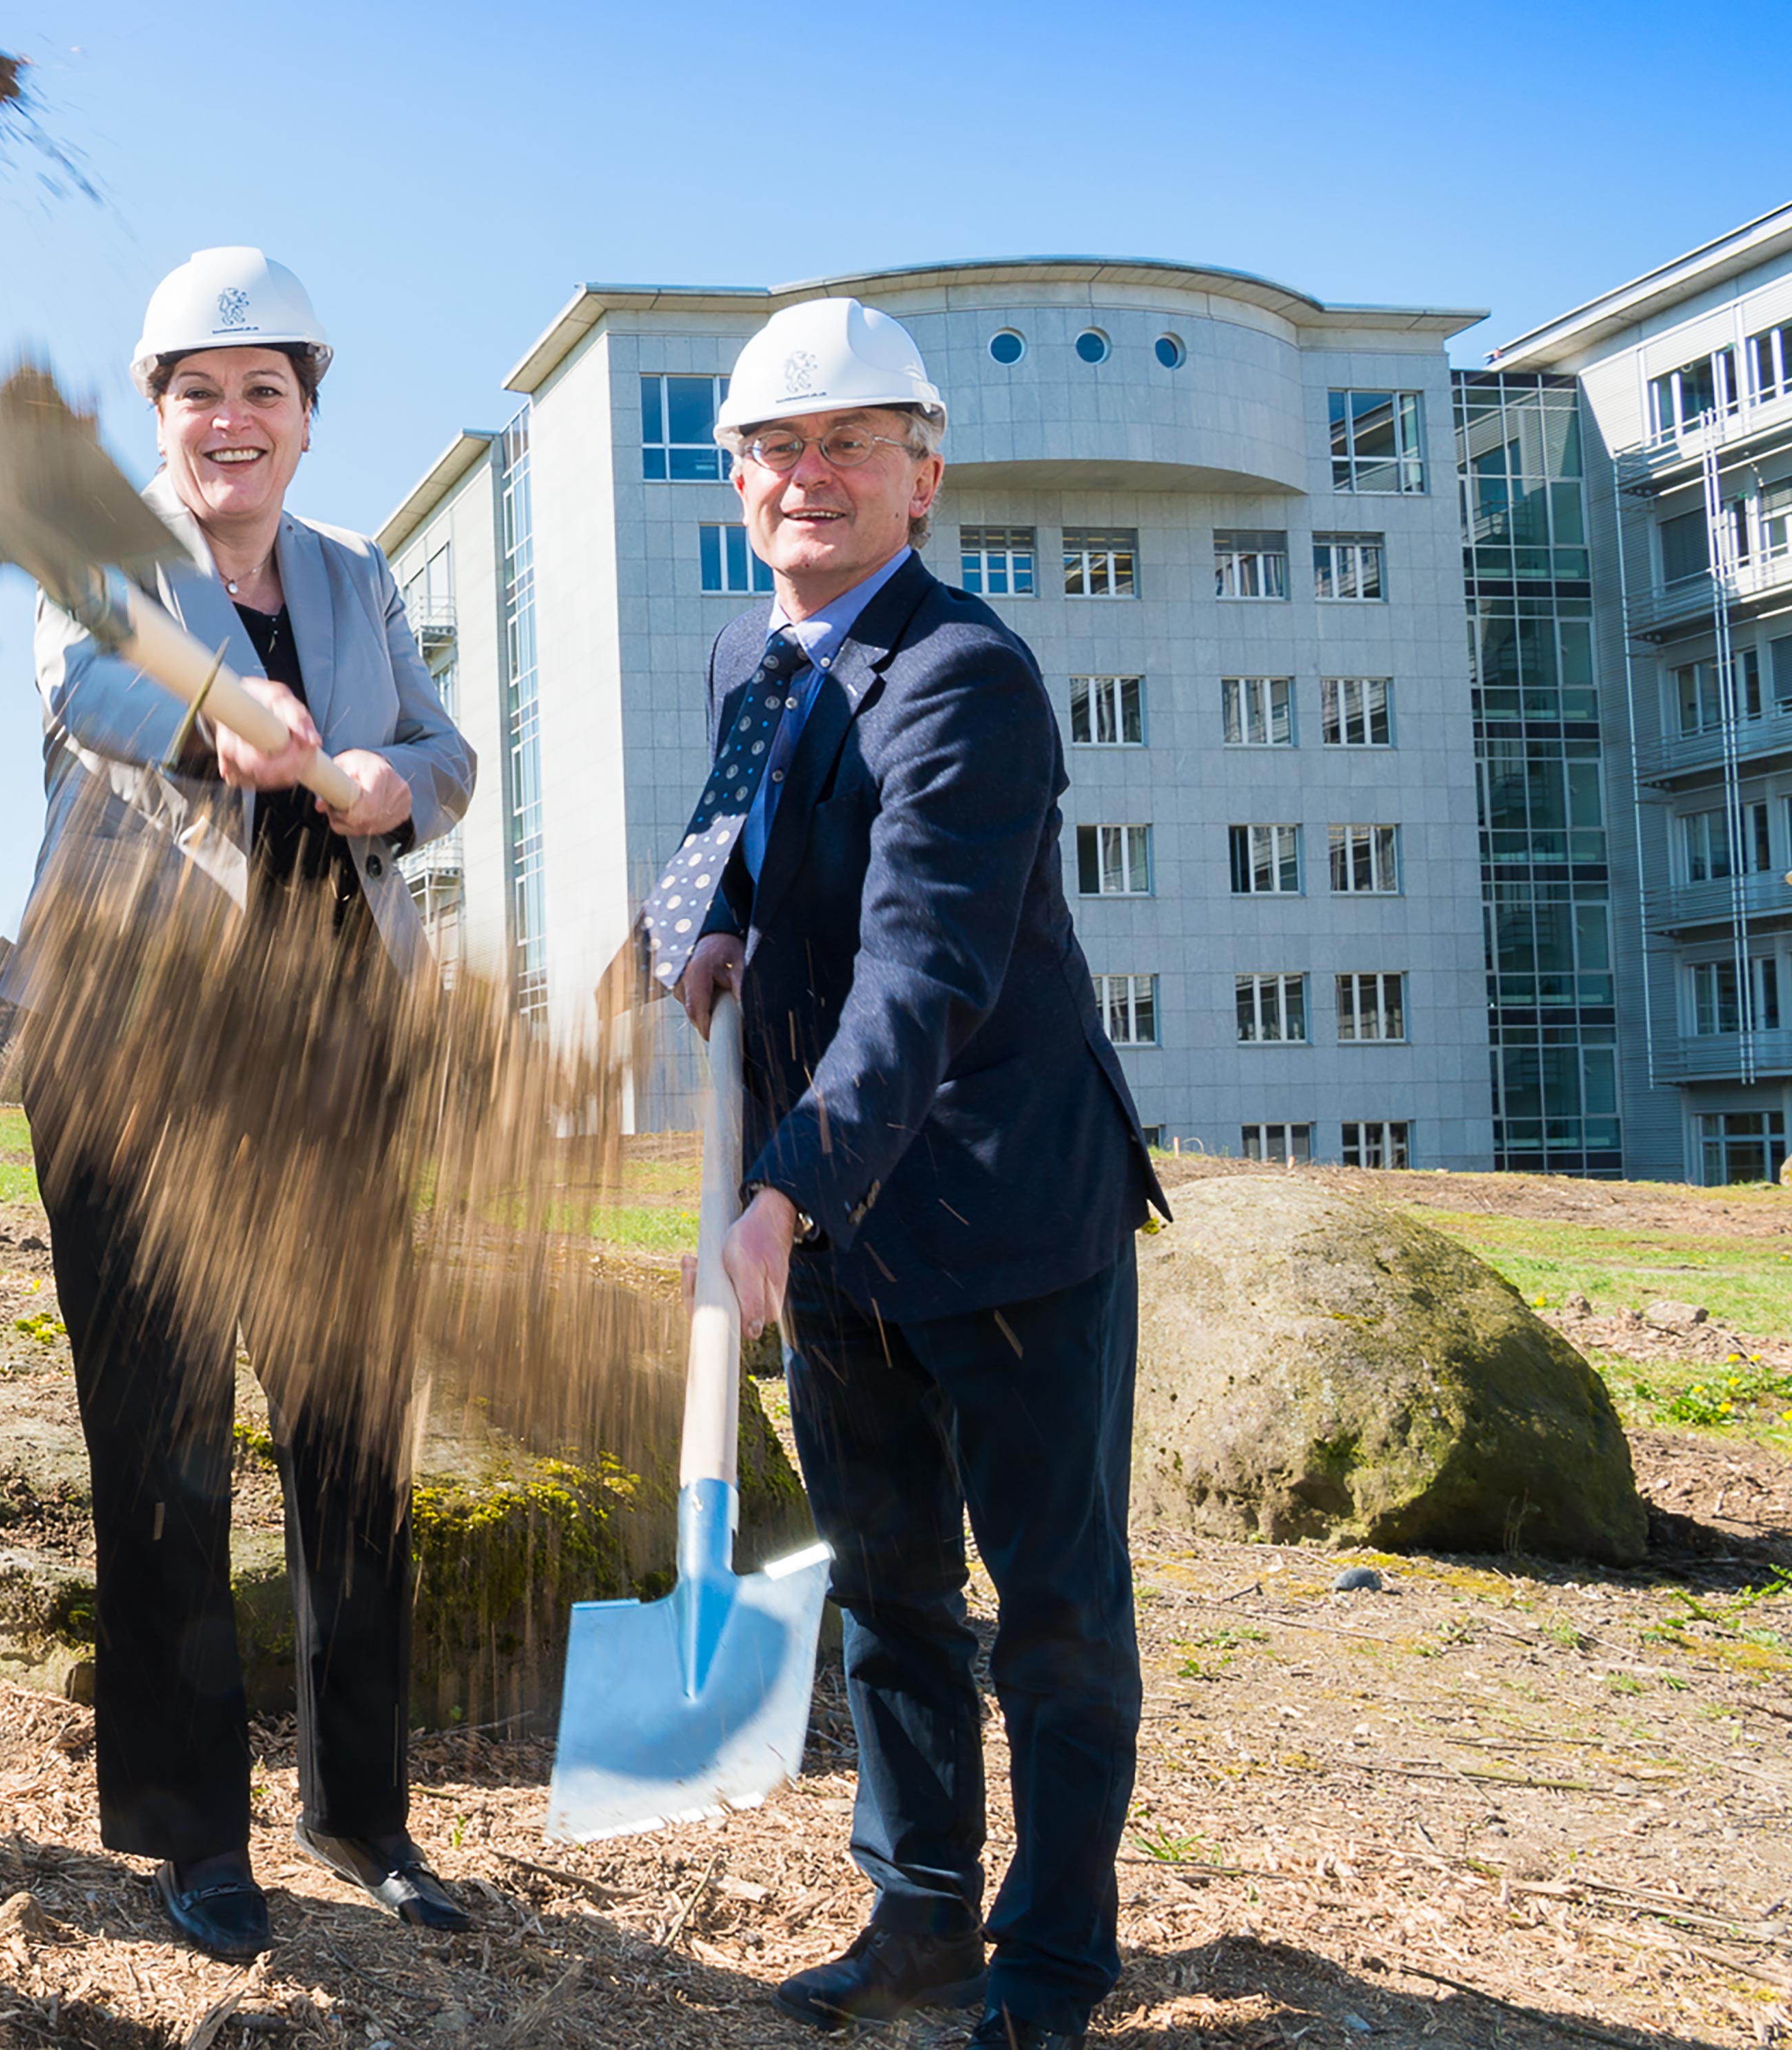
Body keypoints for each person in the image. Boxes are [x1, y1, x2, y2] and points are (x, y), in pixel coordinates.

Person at [643, 299, 1166, 2050]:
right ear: (732, 477)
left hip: (1002, 1215)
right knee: (885, 1591)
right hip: (832, 1231)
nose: (809, 475)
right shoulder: (748, 656)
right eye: (776, 447)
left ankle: (1049, 1961)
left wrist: (779, 1190)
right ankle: (919, 1911)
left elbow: (918, 970)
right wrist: (699, 936)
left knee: (1054, 1611)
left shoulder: (964, 678)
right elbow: (732, 849)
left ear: (921, 475)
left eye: (848, 443)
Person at [9, 248, 477, 1962]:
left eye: (260, 392)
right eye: (196, 392)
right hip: (141, 1062)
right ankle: (191, 1830)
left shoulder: (352, 578)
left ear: (302, 416)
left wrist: (379, 786)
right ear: (157, 412)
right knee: (161, 1457)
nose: (229, 421)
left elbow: (443, 753)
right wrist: (226, 724)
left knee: (352, 1449)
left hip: (337, 1064)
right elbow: (91, 685)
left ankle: (361, 1811)